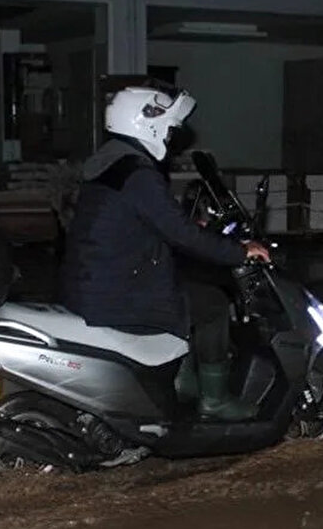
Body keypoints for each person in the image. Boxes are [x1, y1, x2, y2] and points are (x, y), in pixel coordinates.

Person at [59, 82, 270, 422]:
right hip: (118, 293)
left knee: (183, 289)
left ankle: (182, 384)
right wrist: (239, 251)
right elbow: (178, 234)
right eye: (170, 128)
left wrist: (190, 228)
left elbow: (145, 221)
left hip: (96, 280)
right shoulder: (138, 173)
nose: (172, 135)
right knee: (213, 305)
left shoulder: (111, 163)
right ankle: (213, 400)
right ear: (149, 124)